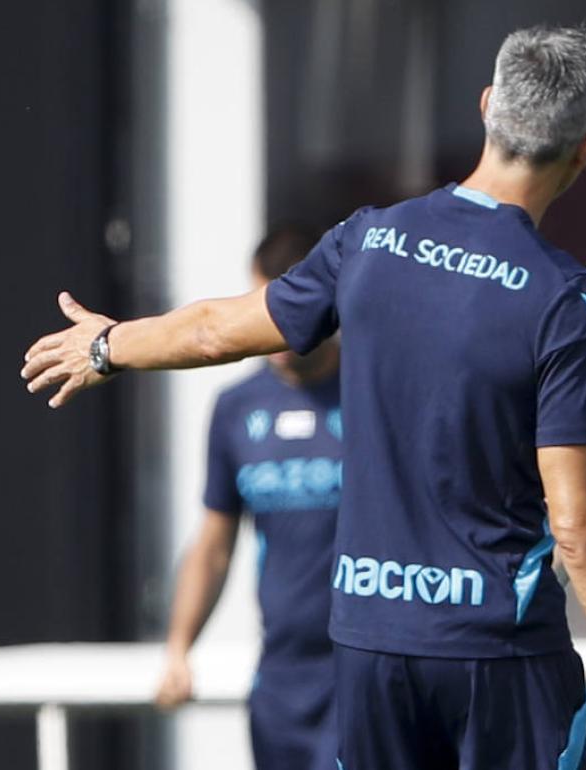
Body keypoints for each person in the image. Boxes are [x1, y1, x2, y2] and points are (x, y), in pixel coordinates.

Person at [22, 25, 586, 770]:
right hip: (495, 656)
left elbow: (217, 331)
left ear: (486, 107)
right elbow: (583, 530)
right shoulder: (562, 298)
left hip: (372, 648)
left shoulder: (369, 241)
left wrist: (106, 345)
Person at [152, 227, 340, 769]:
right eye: (263, 308)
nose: (274, 327)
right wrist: (179, 649)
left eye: (287, 310)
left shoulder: (376, 392)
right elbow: (213, 543)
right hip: (280, 679)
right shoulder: (237, 408)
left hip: (364, 670)